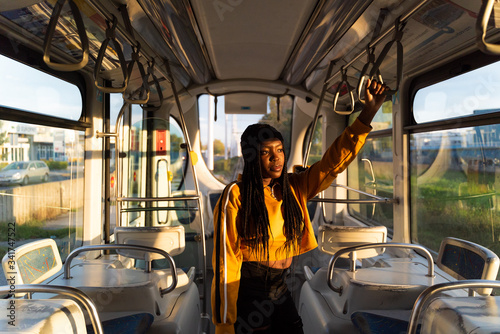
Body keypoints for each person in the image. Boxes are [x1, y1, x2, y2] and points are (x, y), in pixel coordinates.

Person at [211, 79, 388, 334]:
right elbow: (224, 263)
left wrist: (368, 113)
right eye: (265, 152)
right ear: (250, 156)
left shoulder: (294, 186)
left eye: (280, 150)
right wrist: (224, 324)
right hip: (251, 287)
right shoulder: (236, 196)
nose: (276, 157)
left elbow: (332, 163)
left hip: (280, 286)